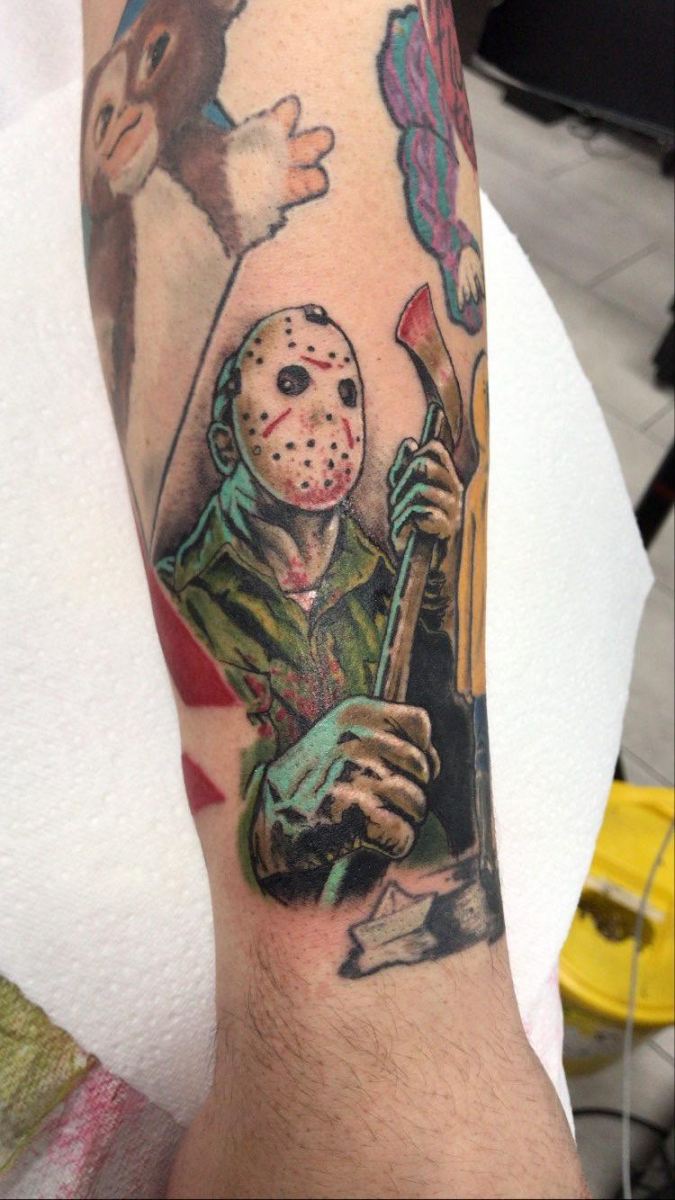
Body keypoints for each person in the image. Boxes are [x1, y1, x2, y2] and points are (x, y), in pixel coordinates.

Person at [81, 1, 590, 1195]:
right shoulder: (201, 584)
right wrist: (366, 1069)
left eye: (347, 392)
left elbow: (429, 802)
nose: (328, 420)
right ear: (230, 427)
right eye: (292, 385)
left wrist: (433, 580)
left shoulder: (379, 570)